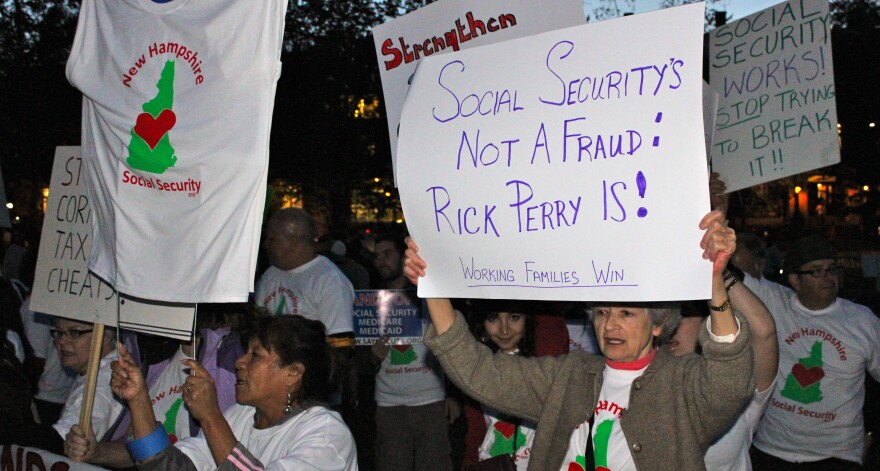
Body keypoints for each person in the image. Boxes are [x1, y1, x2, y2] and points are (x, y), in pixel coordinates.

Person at [404, 210, 755, 470]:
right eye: (602, 313)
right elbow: (479, 373)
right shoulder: (570, 375)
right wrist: (433, 284)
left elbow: (730, 378)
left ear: (659, 324)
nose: (610, 325)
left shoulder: (681, 384)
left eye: (627, 314)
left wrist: (713, 281)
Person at [110, 314, 358, 470]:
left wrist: (210, 417)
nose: (239, 361)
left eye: (256, 355)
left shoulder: (326, 434)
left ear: (293, 373)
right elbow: (167, 466)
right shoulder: (240, 415)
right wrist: (139, 400)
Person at [747, 233, 880, 469]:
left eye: (832, 269)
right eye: (816, 270)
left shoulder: (862, 321)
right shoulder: (773, 301)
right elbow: (726, 274)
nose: (828, 277)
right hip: (771, 450)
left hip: (837, 455)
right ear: (795, 280)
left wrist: (871, 434)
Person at [64, 303, 251, 467]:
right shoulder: (155, 360)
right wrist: (97, 453)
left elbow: (234, 456)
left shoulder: (231, 361)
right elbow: (139, 449)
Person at [666, 269, 778, 471]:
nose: (671, 328)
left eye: (682, 318)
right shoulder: (642, 379)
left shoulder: (737, 382)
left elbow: (764, 332)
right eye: (664, 320)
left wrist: (717, 272)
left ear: (706, 323)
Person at [369, 233, 457, 471]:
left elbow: (450, 342)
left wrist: (453, 395)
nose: (381, 262)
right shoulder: (370, 302)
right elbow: (359, 358)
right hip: (389, 405)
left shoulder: (429, 295)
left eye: (388, 254)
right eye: (377, 256)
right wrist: (372, 357)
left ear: (403, 257)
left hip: (430, 401)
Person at [53, 318, 125, 444]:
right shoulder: (95, 368)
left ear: (104, 337)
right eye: (58, 332)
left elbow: (62, 437)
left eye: (75, 332)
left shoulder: (103, 384)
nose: (62, 341)